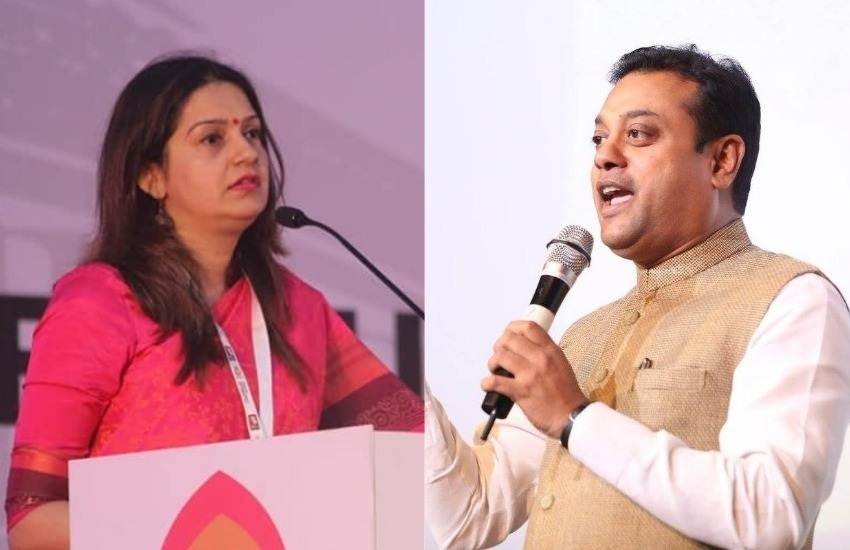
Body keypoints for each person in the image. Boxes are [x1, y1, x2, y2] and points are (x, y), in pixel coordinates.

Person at [425, 44, 850, 549]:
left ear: (722, 161)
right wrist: (397, 367)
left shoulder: (792, 300)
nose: (604, 156)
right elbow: (469, 516)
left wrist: (577, 418)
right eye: (599, 138)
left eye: (638, 134)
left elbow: (770, 515)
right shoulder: (585, 336)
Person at [6, 54, 423, 549]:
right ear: (150, 175)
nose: (247, 153)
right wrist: (194, 534)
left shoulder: (298, 308)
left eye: (253, 133)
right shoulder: (98, 303)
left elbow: (412, 451)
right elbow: (30, 519)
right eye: (212, 139)